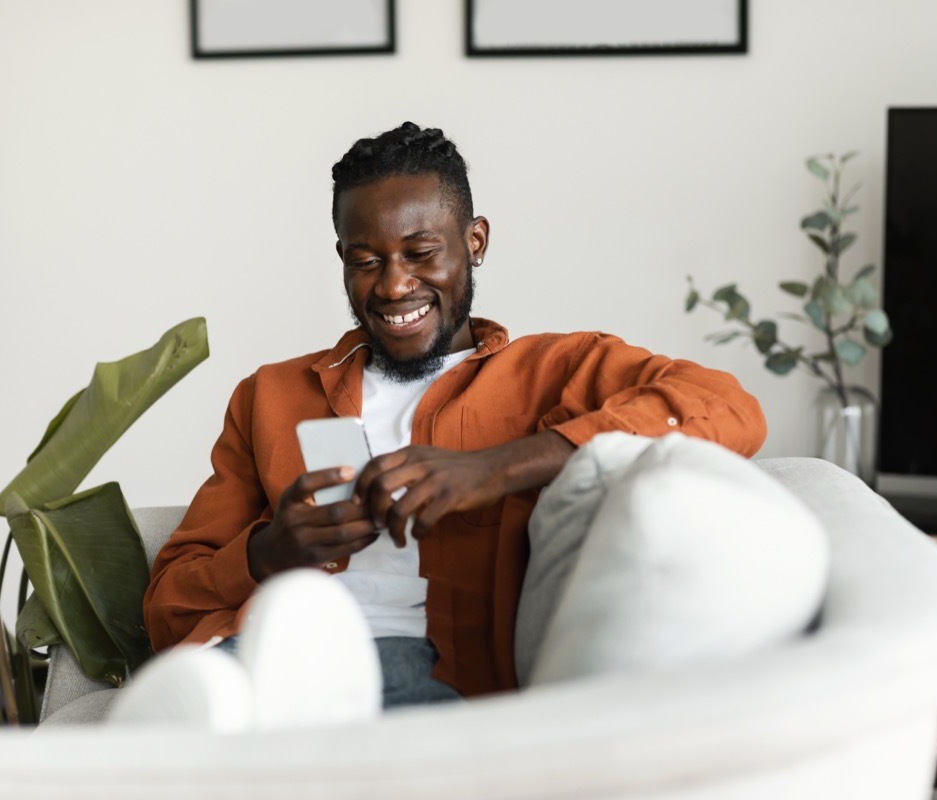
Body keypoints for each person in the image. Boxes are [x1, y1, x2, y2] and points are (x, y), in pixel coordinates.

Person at [143, 122, 767, 709]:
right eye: (365, 261)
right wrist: (268, 551)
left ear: (475, 243)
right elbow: (166, 601)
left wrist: (492, 469)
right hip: (264, 652)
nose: (392, 286)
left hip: (423, 674)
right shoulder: (270, 395)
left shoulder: (554, 369)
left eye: (420, 253)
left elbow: (725, 407)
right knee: (220, 694)